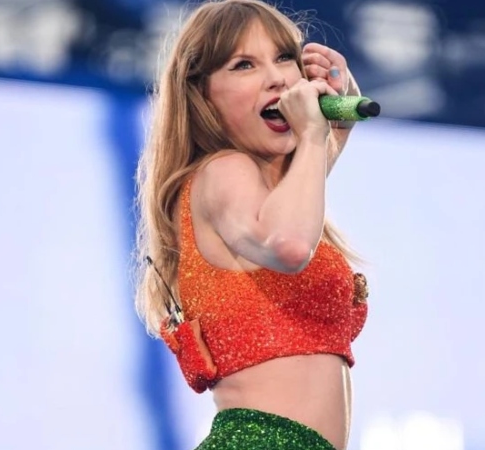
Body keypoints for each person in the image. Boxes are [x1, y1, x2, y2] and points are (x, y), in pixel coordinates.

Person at [134, 1, 369, 449]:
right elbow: (289, 244)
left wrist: (335, 131)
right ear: (202, 94)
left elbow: (292, 206)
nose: (278, 77)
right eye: (244, 64)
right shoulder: (223, 171)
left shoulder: (263, 192)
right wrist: (314, 134)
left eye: (284, 57)